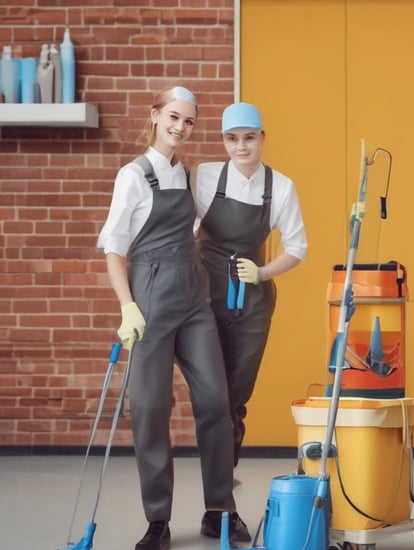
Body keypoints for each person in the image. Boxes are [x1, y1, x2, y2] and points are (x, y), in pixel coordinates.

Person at [97, 86, 250, 550]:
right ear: (156, 115)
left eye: (189, 122)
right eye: (174, 117)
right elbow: (114, 248)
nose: (181, 127)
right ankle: (158, 521)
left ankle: (219, 510)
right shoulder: (133, 176)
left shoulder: (186, 175)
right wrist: (127, 307)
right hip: (150, 306)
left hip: (194, 301)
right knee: (149, 408)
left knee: (216, 404)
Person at [194, 102, 307, 466]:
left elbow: (298, 248)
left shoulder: (281, 187)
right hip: (204, 303)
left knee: (235, 398)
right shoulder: (203, 177)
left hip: (252, 307)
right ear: (223, 140)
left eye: (248, 138)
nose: (241, 147)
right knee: (213, 396)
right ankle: (218, 487)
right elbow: (179, 228)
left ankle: (223, 487)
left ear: (262, 138)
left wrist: (261, 273)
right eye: (231, 139)